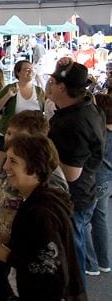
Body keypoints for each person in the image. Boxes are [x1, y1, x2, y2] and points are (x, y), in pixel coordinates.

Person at [0, 110, 68, 300]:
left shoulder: (45, 207)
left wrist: (9, 255)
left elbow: (49, 267)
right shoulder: (15, 159)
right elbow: (1, 187)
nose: (5, 167)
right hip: (9, 241)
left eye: (14, 134)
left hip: (21, 262)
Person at [47, 58, 105, 283]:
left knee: (71, 257)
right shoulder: (89, 107)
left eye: (52, 82)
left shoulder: (73, 121)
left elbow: (71, 173)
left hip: (73, 197)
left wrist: (41, 152)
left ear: (62, 87)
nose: (49, 86)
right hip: (84, 193)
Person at [0, 59, 45, 166]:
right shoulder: (10, 88)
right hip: (10, 136)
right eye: (26, 69)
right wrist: (8, 96)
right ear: (18, 72)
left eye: (32, 69)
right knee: (5, 168)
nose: (30, 71)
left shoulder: (39, 91)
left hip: (32, 138)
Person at [85, 94, 112, 275]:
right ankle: (104, 261)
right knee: (100, 219)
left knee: (83, 221)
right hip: (108, 180)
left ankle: (90, 264)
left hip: (93, 180)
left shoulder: (99, 132)